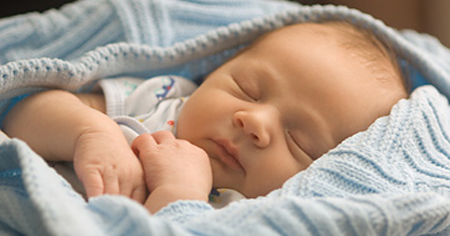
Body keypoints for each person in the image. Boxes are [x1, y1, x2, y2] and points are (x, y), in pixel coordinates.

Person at [1, 21, 408, 213]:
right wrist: (89, 131)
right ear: (213, 70)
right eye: (246, 88)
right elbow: (20, 112)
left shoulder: (250, 214)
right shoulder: (164, 99)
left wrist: (179, 195)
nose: (255, 121)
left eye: (299, 142)